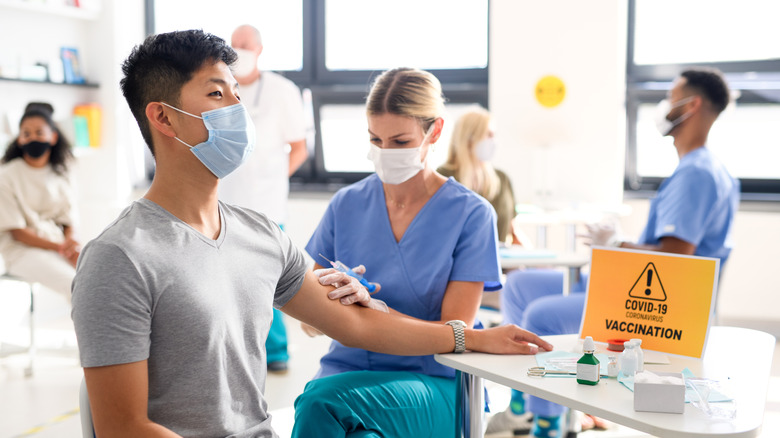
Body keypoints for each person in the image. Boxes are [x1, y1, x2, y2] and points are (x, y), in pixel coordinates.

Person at [71, 30, 553, 438]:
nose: (238, 109)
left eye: (237, 94)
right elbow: (124, 429)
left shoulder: (261, 236)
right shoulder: (120, 257)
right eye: (218, 94)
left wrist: (469, 338)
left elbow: (358, 324)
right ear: (162, 117)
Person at [487, 67, 740, 438]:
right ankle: (525, 401)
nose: (665, 107)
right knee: (520, 286)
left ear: (694, 104)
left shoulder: (697, 173)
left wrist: (617, 244)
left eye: (671, 98)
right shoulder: (699, 169)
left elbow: (676, 255)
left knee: (540, 315)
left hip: (663, 305)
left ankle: (549, 422)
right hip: (638, 284)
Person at [292, 68, 505, 437]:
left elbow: (454, 335)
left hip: (431, 381)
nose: (385, 152)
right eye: (376, 139)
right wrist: (334, 298)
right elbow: (310, 323)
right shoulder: (346, 205)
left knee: (319, 403)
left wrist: (371, 310)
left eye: (401, 141)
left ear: (434, 132)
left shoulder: (470, 214)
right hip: (348, 375)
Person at [219, 23, 309, 374]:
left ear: (259, 49)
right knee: (226, 279)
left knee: (267, 279)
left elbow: (299, 147)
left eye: (245, 44)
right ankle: (234, 351)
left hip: (267, 203)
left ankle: (276, 353)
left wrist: (271, 179)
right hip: (224, 200)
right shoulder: (221, 88)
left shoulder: (282, 90)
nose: (239, 49)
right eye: (234, 44)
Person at [0, 103, 80, 301]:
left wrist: (71, 244)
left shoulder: (60, 175)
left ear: (53, 137)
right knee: (75, 285)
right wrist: (60, 248)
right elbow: (18, 233)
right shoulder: (6, 176)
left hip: (56, 246)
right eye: (26, 133)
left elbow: (67, 221)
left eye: (39, 132)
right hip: (21, 251)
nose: (32, 138)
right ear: (19, 139)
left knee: (99, 278)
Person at [437, 107, 525, 246]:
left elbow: (512, 230)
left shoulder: (502, 179)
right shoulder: (442, 177)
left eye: (494, 135)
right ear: (470, 137)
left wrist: (535, 258)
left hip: (500, 263)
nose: (493, 141)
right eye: (488, 135)